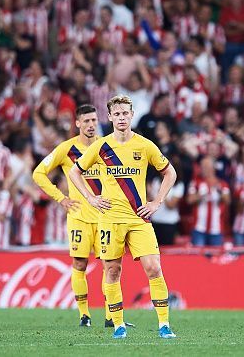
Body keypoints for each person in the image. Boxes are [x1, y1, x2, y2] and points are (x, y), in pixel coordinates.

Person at [69, 95, 177, 339]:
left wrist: (157, 201)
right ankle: (117, 325)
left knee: (153, 268)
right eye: (116, 114)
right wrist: (91, 198)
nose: (120, 118)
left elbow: (170, 173)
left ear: (131, 115)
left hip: (139, 218)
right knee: (113, 271)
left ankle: (164, 325)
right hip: (109, 219)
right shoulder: (101, 146)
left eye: (125, 113)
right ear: (110, 117)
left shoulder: (145, 145)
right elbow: (76, 172)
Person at [33, 104, 113, 328]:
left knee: (110, 266)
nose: (90, 125)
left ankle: (110, 317)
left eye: (94, 121)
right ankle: (84, 316)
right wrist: (61, 198)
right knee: (79, 264)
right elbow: (38, 173)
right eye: (86, 121)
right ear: (77, 123)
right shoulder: (67, 149)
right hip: (78, 217)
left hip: (105, 217)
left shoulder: (106, 146)